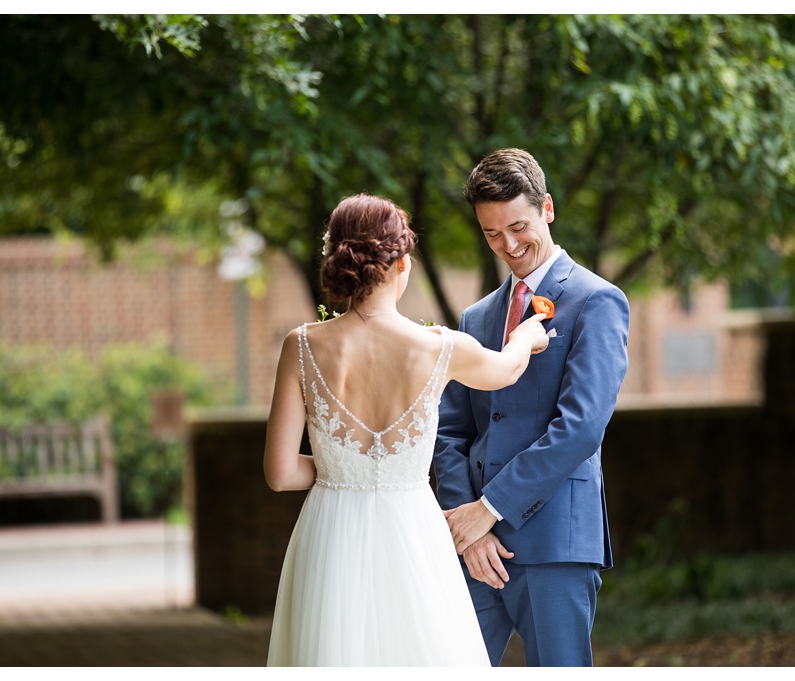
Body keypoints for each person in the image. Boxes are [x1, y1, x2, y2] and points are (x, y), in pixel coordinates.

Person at [264, 193, 550, 666]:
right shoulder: (439, 347)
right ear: (401, 263)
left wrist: (345, 468)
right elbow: (506, 370)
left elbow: (279, 473)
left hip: (331, 533)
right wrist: (526, 336)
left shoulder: (302, 347)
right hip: (413, 531)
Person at [433, 148, 630, 666]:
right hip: (474, 547)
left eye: (518, 226)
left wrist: (489, 509)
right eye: (492, 234)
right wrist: (463, 522)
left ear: (547, 207)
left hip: (554, 542)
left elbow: (582, 427)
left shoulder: (597, 301)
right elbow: (449, 428)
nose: (508, 245)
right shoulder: (476, 318)